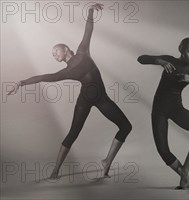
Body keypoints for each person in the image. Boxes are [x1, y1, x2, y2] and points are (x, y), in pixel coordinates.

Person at [7, 3, 132, 179]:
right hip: (84, 101)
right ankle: (55, 170)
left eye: (55, 51)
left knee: (126, 126)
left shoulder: (83, 51)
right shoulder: (66, 72)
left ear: (65, 48)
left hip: (102, 99)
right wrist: (20, 83)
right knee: (73, 133)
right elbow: (44, 77)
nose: (54, 55)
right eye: (52, 55)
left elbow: (88, 30)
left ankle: (107, 162)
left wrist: (90, 11)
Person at [137, 37, 189, 189]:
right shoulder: (169, 60)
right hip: (158, 110)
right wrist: (159, 61)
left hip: (176, 109)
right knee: (163, 151)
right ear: (181, 49)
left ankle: (185, 175)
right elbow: (140, 59)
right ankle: (186, 179)